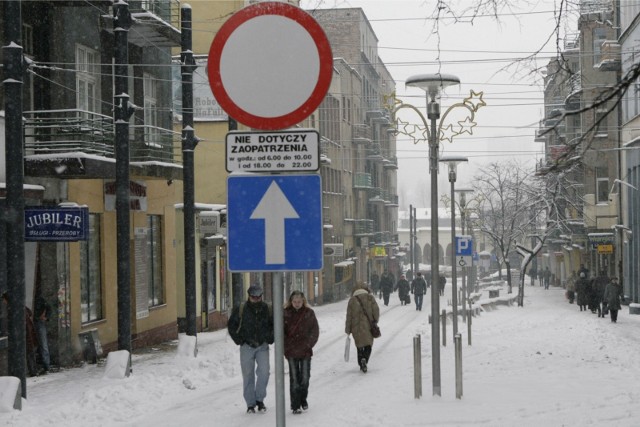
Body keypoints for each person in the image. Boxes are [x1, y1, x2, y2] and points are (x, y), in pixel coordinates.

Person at [227, 284, 274, 414]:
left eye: (259, 297)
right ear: (249, 296)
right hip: (246, 345)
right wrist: (239, 340)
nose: (256, 299)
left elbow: (274, 325)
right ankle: (250, 403)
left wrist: (270, 338)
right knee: (248, 375)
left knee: (264, 372)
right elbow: (231, 325)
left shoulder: (268, 308)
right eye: (254, 297)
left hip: (262, 345)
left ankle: (260, 399)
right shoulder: (241, 308)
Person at [283, 291, 319, 414]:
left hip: (305, 351)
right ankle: (295, 405)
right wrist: (286, 347)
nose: (297, 304)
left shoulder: (309, 313)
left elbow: (315, 331)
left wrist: (308, 344)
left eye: (299, 302)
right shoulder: (286, 314)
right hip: (291, 351)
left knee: (304, 378)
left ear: (303, 301)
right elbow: (281, 332)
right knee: (294, 379)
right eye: (294, 302)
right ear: (291, 302)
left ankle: (303, 398)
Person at [345, 282, 380, 373]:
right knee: (368, 344)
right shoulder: (370, 298)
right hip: (368, 325)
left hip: (355, 327)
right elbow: (376, 310)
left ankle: (361, 363)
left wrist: (348, 329)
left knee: (359, 345)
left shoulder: (352, 300)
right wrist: (375, 320)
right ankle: (365, 359)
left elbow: (349, 316)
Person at [34, 295, 52, 374]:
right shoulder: (39, 300)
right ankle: (44, 364)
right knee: (42, 344)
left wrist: (45, 317)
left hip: (37, 321)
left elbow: (49, 308)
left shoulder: (39, 300)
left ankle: (45, 365)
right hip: (36, 321)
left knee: (42, 344)